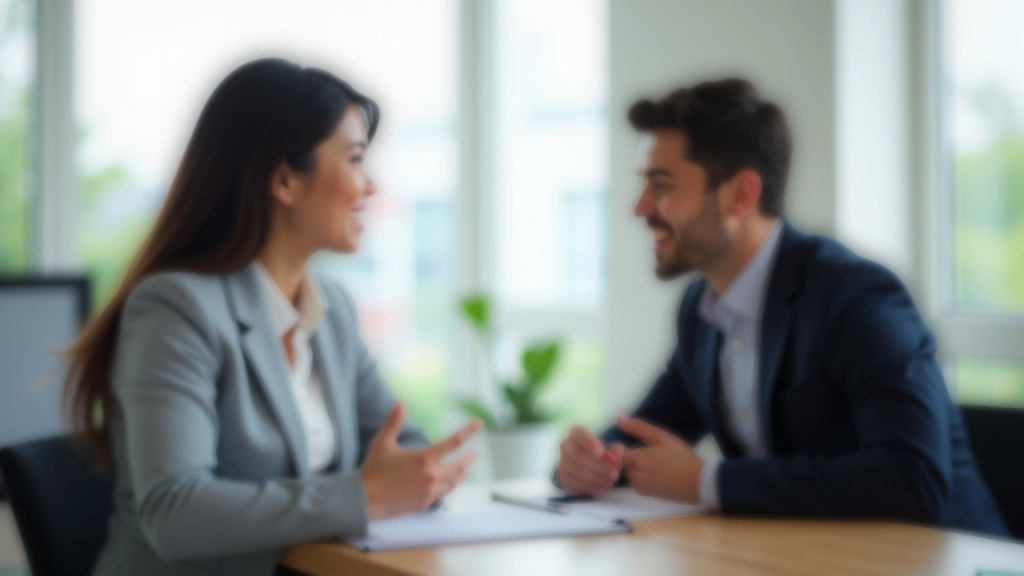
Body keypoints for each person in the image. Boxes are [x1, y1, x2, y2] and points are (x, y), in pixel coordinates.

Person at [63, 59, 482, 576]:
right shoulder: (175, 308)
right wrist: (365, 496)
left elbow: (404, 444)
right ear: (284, 180)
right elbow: (174, 511)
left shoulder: (332, 310)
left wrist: (413, 478)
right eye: (354, 160)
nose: (369, 186)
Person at [555, 78, 1007, 535]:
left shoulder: (854, 295)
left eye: (662, 185)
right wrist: (589, 463)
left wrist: (708, 480)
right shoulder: (701, 310)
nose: (640, 207)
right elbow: (642, 431)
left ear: (741, 194)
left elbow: (913, 480)